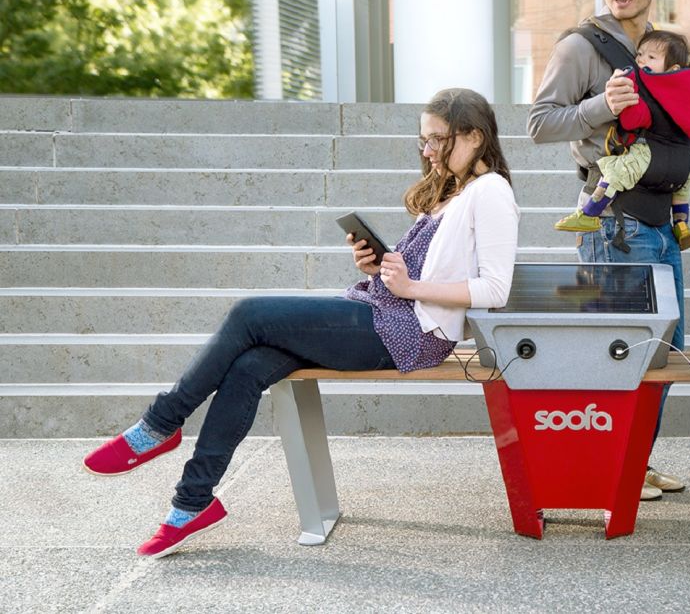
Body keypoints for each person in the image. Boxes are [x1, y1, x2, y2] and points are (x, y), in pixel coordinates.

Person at [82, 88, 521, 559]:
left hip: (410, 334)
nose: (428, 150)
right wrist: (379, 269)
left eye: (438, 139)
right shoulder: (453, 191)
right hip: (386, 315)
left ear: (474, 136)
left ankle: (160, 424)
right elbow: (425, 272)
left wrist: (410, 288)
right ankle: (191, 503)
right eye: (423, 141)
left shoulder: (491, 191)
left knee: (249, 314)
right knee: (251, 364)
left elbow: (494, 289)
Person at [528, 0, 690, 501]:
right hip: (614, 220)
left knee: (662, 351)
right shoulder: (581, 45)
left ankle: (634, 460)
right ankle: (610, 463)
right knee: (622, 348)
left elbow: (674, 125)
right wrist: (606, 105)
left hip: (661, 217)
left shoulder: (665, 48)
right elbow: (539, 123)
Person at [553, 29, 690, 251]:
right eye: (640, 54)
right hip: (682, 160)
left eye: (651, 57)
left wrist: (628, 88)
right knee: (682, 188)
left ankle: (589, 212)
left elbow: (635, 120)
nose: (641, 60)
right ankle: (682, 225)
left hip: (648, 157)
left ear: (673, 68)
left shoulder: (647, 83)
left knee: (616, 172)